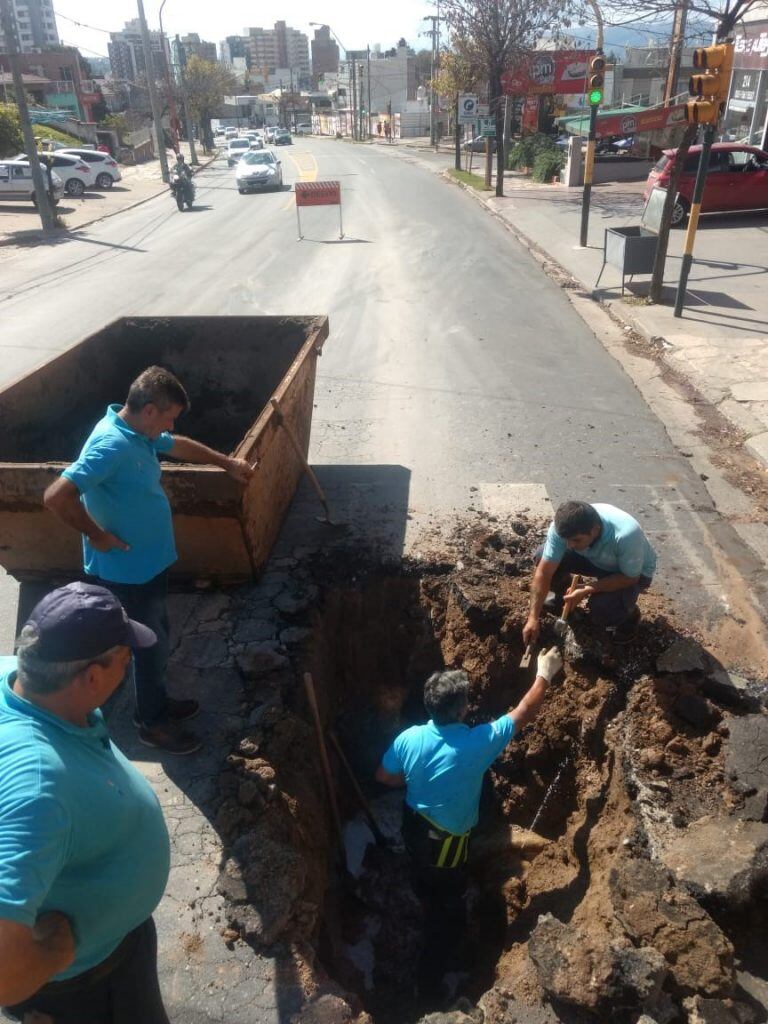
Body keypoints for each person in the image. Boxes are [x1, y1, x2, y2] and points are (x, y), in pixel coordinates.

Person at [43, 366, 254, 755]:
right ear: (150, 410)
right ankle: (151, 724)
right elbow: (57, 496)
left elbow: (179, 446)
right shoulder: (111, 446)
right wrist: (96, 534)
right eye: (170, 416)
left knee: (155, 639)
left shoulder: (138, 432)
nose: (170, 425)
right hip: (128, 573)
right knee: (144, 644)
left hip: (148, 564)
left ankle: (155, 702)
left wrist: (227, 464)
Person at [0, 582, 172, 1024]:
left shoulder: (14, 679)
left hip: (118, 948)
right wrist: (52, 953)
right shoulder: (39, 787)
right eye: (124, 656)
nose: (130, 662)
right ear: (91, 677)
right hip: (84, 993)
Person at [375, 649, 562, 999]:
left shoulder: (409, 738)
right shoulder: (477, 743)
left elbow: (384, 777)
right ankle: (430, 982)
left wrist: (419, 779)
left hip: (413, 827)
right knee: (447, 910)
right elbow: (524, 712)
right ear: (461, 710)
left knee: (424, 878)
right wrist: (545, 673)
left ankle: (425, 898)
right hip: (444, 847)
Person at [523, 500, 657, 646]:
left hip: (628, 572)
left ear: (594, 530)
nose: (569, 545)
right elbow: (544, 572)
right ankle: (564, 599)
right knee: (542, 556)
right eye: (566, 540)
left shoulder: (626, 535)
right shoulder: (563, 529)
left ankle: (628, 617)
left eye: (576, 540)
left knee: (602, 608)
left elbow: (631, 578)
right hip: (593, 558)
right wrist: (533, 618)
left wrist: (588, 588)